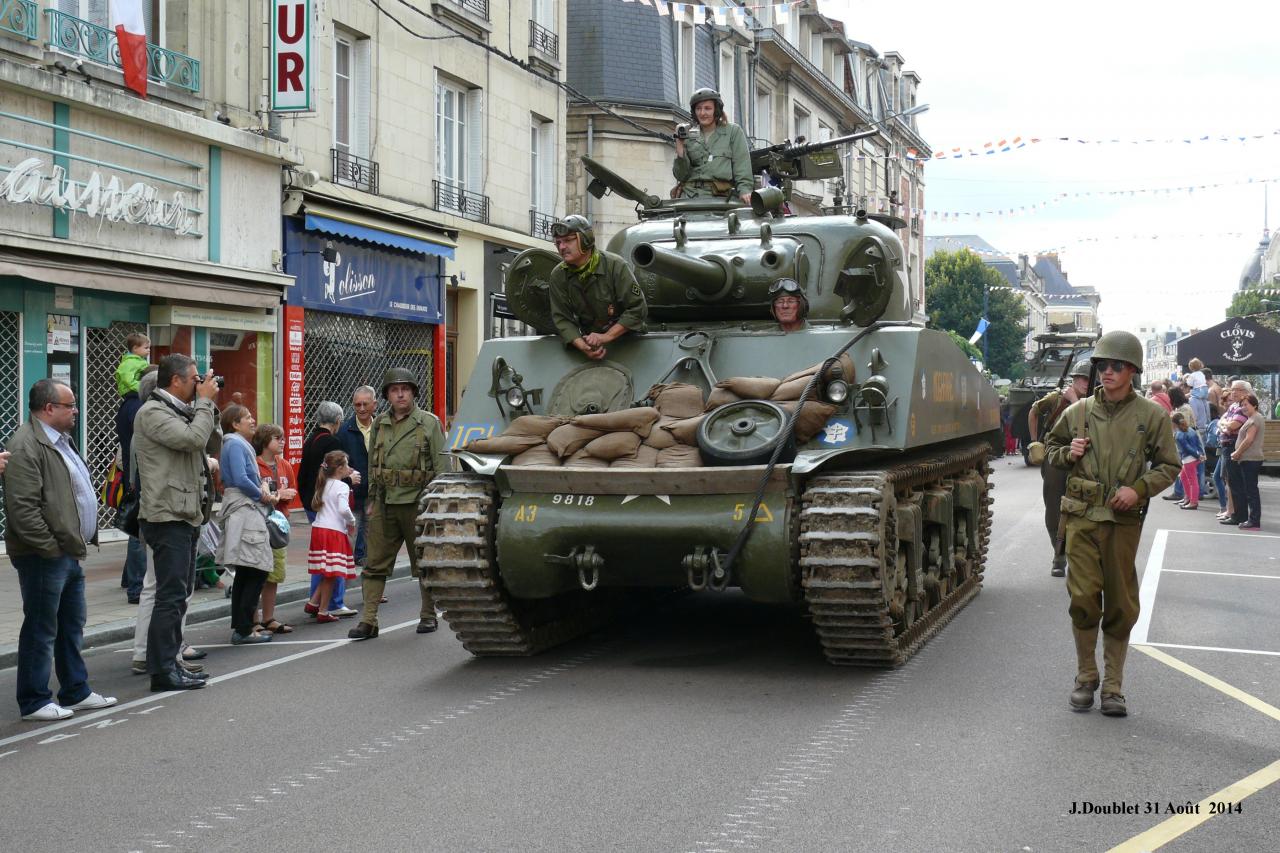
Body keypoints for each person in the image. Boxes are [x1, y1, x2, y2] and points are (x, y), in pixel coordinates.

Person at [1046, 331, 1179, 718]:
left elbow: (1169, 466)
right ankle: (1086, 676)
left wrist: (1138, 489)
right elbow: (1049, 451)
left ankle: (1114, 687)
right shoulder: (1079, 412)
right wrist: (1065, 453)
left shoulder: (1151, 416)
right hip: (1082, 519)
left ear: (1133, 371)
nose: (1107, 372)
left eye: (1116, 366)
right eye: (1102, 365)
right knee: (1084, 599)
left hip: (1122, 522)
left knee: (1120, 603)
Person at [3, 379, 118, 721]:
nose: (76, 410)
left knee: (71, 624)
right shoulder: (26, 445)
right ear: (49, 408)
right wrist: (51, 548)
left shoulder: (60, 441)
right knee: (41, 627)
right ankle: (35, 700)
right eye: (70, 405)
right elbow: (23, 510)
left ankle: (76, 690)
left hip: (67, 551)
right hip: (44, 556)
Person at [132, 353, 218, 692]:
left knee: (178, 594)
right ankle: (162, 671)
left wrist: (206, 405)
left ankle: (171, 664)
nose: (200, 384)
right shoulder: (152, 412)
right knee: (169, 596)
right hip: (166, 514)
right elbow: (192, 439)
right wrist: (206, 403)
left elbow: (208, 439)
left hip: (184, 512)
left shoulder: (180, 409)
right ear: (176, 380)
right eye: (195, 378)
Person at [348, 368, 447, 640]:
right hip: (384, 502)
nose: (400, 393)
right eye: (394, 389)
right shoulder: (379, 423)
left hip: (419, 502)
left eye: (405, 389)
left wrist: (438, 506)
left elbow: (442, 467)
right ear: (387, 395)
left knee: (424, 563)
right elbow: (373, 465)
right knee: (373, 563)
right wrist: (370, 500)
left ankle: (428, 615)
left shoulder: (428, 423)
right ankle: (369, 620)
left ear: (414, 392)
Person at [548, 215, 647, 361]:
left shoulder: (615, 266)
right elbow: (562, 318)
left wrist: (607, 336)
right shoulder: (559, 275)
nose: (562, 247)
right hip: (590, 343)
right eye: (558, 242)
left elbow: (638, 308)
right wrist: (582, 345)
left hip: (629, 341)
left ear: (585, 239)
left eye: (568, 240)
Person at [216, 404, 276, 645]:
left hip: (245, 508)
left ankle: (243, 625)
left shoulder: (235, 444)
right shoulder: (235, 444)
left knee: (247, 569)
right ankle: (243, 628)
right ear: (235, 424)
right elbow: (241, 478)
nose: (253, 420)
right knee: (256, 567)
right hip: (246, 509)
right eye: (247, 417)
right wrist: (262, 495)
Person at [1027, 359, 1091, 577]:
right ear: (1074, 379)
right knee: (1054, 507)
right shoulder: (1056, 398)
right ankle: (1059, 554)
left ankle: (1080, 555)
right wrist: (1035, 441)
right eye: (1080, 378)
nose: (1084, 382)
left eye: (1088, 378)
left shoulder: (1095, 401)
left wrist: (1075, 401)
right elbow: (1034, 411)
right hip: (1056, 457)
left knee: (1085, 507)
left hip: (1084, 458)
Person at [298, 401, 358, 618]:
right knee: (335, 562)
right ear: (338, 421)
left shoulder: (310, 439)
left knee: (321, 562)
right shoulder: (332, 441)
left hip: (313, 504)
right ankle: (333, 602)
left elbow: (303, 474)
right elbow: (341, 501)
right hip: (331, 516)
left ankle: (315, 600)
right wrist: (350, 480)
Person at [116, 364, 157, 603]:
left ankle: (130, 580)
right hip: (141, 478)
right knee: (137, 533)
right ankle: (135, 586)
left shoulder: (130, 405)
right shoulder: (140, 409)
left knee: (136, 529)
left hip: (136, 476)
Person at [672, 88, 753, 204]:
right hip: (690, 198)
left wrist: (745, 191)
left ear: (717, 110)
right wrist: (680, 145)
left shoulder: (733, 132)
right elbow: (681, 176)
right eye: (698, 108)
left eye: (707, 108)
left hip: (721, 198)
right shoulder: (688, 134)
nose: (702, 113)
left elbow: (742, 166)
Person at [254, 423, 298, 634]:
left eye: (283, 438)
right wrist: (280, 493)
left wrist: (285, 495)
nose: (283, 442)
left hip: (279, 524)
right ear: (264, 442)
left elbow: (291, 489)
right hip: (259, 523)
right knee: (257, 573)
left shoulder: (285, 465)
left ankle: (269, 617)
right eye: (277, 438)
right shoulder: (255, 464)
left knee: (275, 573)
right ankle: (253, 619)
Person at [308, 450, 358, 621]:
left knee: (324, 570)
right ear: (339, 469)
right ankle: (323, 611)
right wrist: (351, 522)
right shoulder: (342, 486)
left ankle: (314, 602)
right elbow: (343, 509)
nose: (349, 469)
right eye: (347, 465)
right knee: (331, 573)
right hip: (333, 531)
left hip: (319, 529)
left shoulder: (323, 483)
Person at [337, 386, 376, 570]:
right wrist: (348, 475)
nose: (361, 408)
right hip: (353, 491)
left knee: (370, 532)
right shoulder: (345, 431)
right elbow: (337, 461)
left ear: (374, 405)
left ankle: (365, 564)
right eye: (357, 404)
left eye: (365, 404)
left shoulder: (382, 428)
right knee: (351, 529)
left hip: (374, 491)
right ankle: (345, 564)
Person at [1217, 381, 1252, 525]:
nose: (1234, 393)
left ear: (1246, 392)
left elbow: (1232, 425)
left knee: (1236, 482)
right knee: (1231, 481)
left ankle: (1240, 516)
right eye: (1232, 390)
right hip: (1226, 445)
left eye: (1237, 390)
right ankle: (1235, 514)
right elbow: (1221, 421)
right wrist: (1225, 424)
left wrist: (1226, 425)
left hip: (1234, 445)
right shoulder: (1233, 406)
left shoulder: (1244, 407)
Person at [1231, 394, 1265, 531]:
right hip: (1249, 459)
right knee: (1250, 490)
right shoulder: (1252, 418)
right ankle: (1252, 520)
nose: (1244, 408)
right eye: (1242, 405)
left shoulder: (1255, 419)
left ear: (1254, 405)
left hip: (1251, 459)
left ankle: (1254, 521)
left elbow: (1249, 439)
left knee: (1251, 491)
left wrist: (1238, 452)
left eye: (1247, 405)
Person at [1171, 413, 1204, 510]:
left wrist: (1197, 455)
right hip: (1194, 457)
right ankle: (1188, 498)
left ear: (1174, 423)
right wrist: (1200, 454)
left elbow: (1187, 448)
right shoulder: (1190, 430)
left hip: (1188, 459)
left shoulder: (1179, 434)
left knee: (1192, 480)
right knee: (1184, 477)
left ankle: (1193, 502)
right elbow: (1198, 442)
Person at [114, 332, 150, 397]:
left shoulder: (140, 361)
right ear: (135, 348)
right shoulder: (129, 362)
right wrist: (142, 388)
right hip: (132, 391)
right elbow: (127, 380)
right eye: (146, 348)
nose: (149, 350)